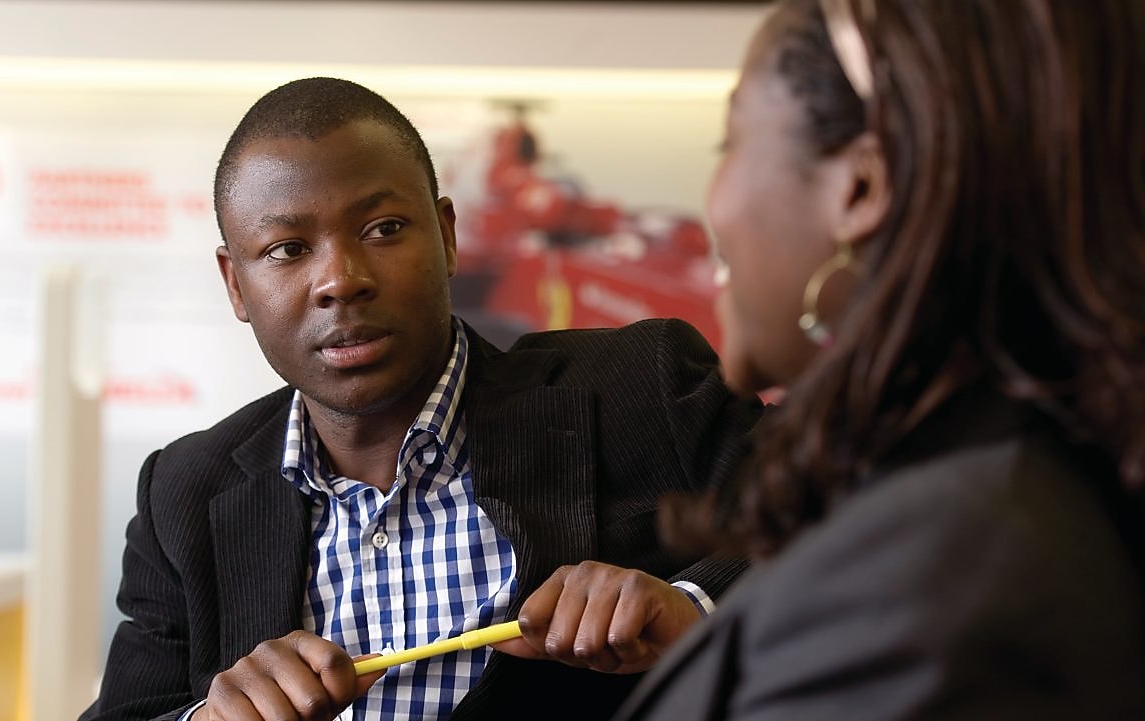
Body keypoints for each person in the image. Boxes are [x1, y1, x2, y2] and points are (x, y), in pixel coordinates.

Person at [78, 77, 764, 721]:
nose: (339, 280)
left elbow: (842, 518)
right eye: (288, 248)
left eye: (383, 230)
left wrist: (691, 608)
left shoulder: (642, 386)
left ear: (446, 236)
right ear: (235, 284)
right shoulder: (185, 494)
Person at [614, 0, 1145, 719]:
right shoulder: (977, 492)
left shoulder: (931, 578)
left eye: (729, 142)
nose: (714, 202)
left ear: (860, 187)